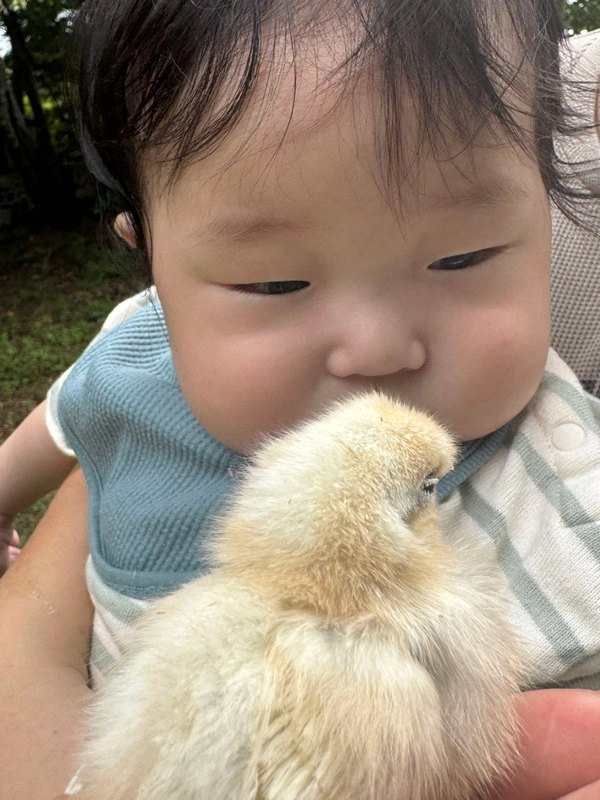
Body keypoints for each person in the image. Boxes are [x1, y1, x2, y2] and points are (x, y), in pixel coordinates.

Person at [1, 0, 600, 796]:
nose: (378, 348)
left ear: (547, 211)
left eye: (464, 257)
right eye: (274, 282)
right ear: (155, 270)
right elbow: (73, 414)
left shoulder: (563, 495)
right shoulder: (142, 348)